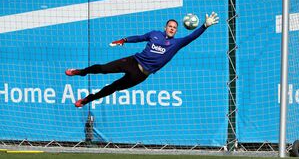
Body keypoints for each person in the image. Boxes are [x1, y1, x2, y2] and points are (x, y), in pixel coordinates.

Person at [65, 12, 219, 107]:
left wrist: (204, 26)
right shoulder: (154, 34)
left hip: (141, 75)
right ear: (165, 27)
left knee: (111, 88)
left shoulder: (176, 43)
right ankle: (80, 72)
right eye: (170, 26)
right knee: (103, 68)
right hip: (133, 61)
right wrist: (124, 40)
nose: (172, 28)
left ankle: (86, 100)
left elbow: (191, 37)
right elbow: (139, 38)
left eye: (174, 27)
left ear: (176, 30)